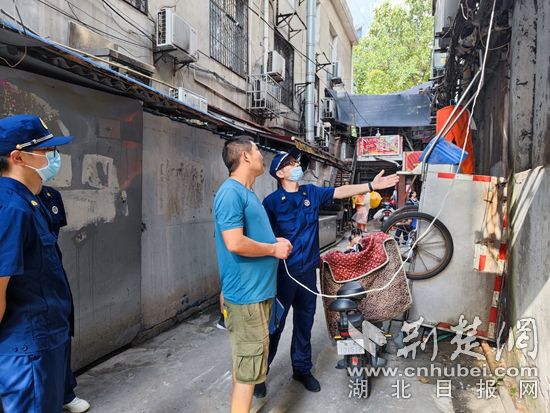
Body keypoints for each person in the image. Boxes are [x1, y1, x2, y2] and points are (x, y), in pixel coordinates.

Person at [256, 149, 399, 397]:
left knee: (304, 324)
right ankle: (260, 374)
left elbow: (340, 191)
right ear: (279, 173)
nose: (296, 165)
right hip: (282, 275)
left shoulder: (310, 193)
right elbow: (263, 238)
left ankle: (302, 369)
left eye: (296, 162)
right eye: (290, 163)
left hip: (307, 275)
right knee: (274, 327)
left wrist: (370, 186)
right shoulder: (270, 203)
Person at [0, 114, 75, 412]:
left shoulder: (30, 200)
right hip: (26, 347)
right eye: (46, 150)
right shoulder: (10, 207)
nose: (54, 157)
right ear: (18, 157)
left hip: (44, 339)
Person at [213, 136, 292, 413]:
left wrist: (274, 241)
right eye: (257, 150)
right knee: (248, 374)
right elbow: (234, 242)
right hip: (247, 298)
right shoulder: (230, 193)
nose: (261, 155)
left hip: (257, 294)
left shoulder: (247, 193)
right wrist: (273, 249)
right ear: (245, 156)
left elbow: (248, 237)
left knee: (245, 367)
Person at [37, 186, 91, 412]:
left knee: (62, 331)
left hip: (52, 270)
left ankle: (65, 392)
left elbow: (53, 237)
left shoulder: (50, 196)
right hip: (24, 279)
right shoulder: (13, 201)